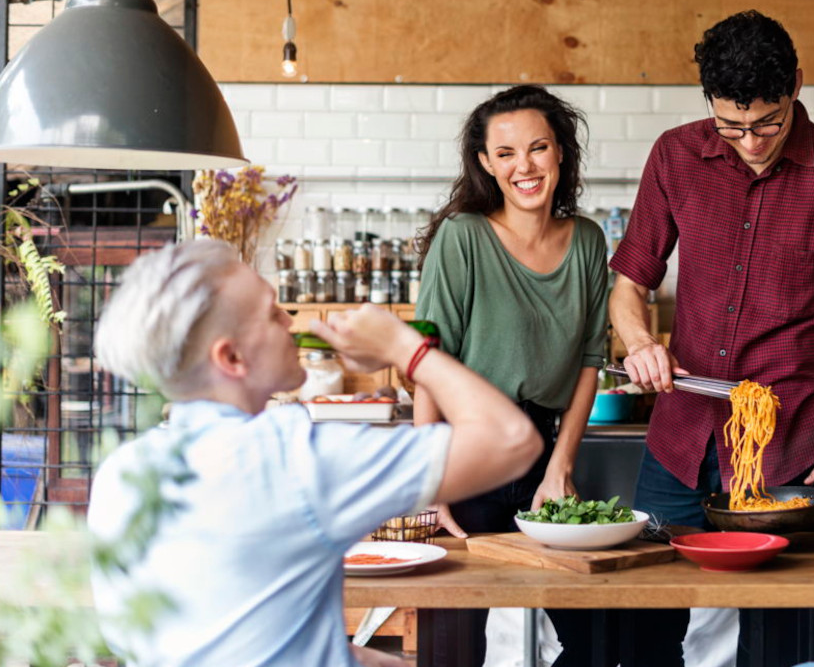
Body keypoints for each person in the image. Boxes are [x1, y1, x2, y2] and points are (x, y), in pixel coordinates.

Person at [608, 10, 814, 665]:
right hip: (677, 445)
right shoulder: (675, 156)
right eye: (732, 126)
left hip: (786, 460)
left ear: (797, 89)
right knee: (639, 636)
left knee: (777, 647)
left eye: (767, 124)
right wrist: (639, 340)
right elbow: (628, 284)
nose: (750, 141)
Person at [87, 240, 542, 667]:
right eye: (273, 314)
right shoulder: (294, 458)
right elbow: (511, 440)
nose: (293, 324)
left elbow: (225, 638)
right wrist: (403, 348)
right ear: (231, 358)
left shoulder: (121, 474)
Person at [412, 84, 611, 666]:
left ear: (561, 154)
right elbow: (428, 359)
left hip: (542, 452)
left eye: (538, 148)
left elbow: (590, 363)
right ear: (485, 164)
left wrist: (561, 466)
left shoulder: (589, 242)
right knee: (454, 636)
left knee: (586, 631)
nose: (524, 166)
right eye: (505, 153)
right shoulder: (463, 238)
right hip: (466, 455)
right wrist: (429, 478)